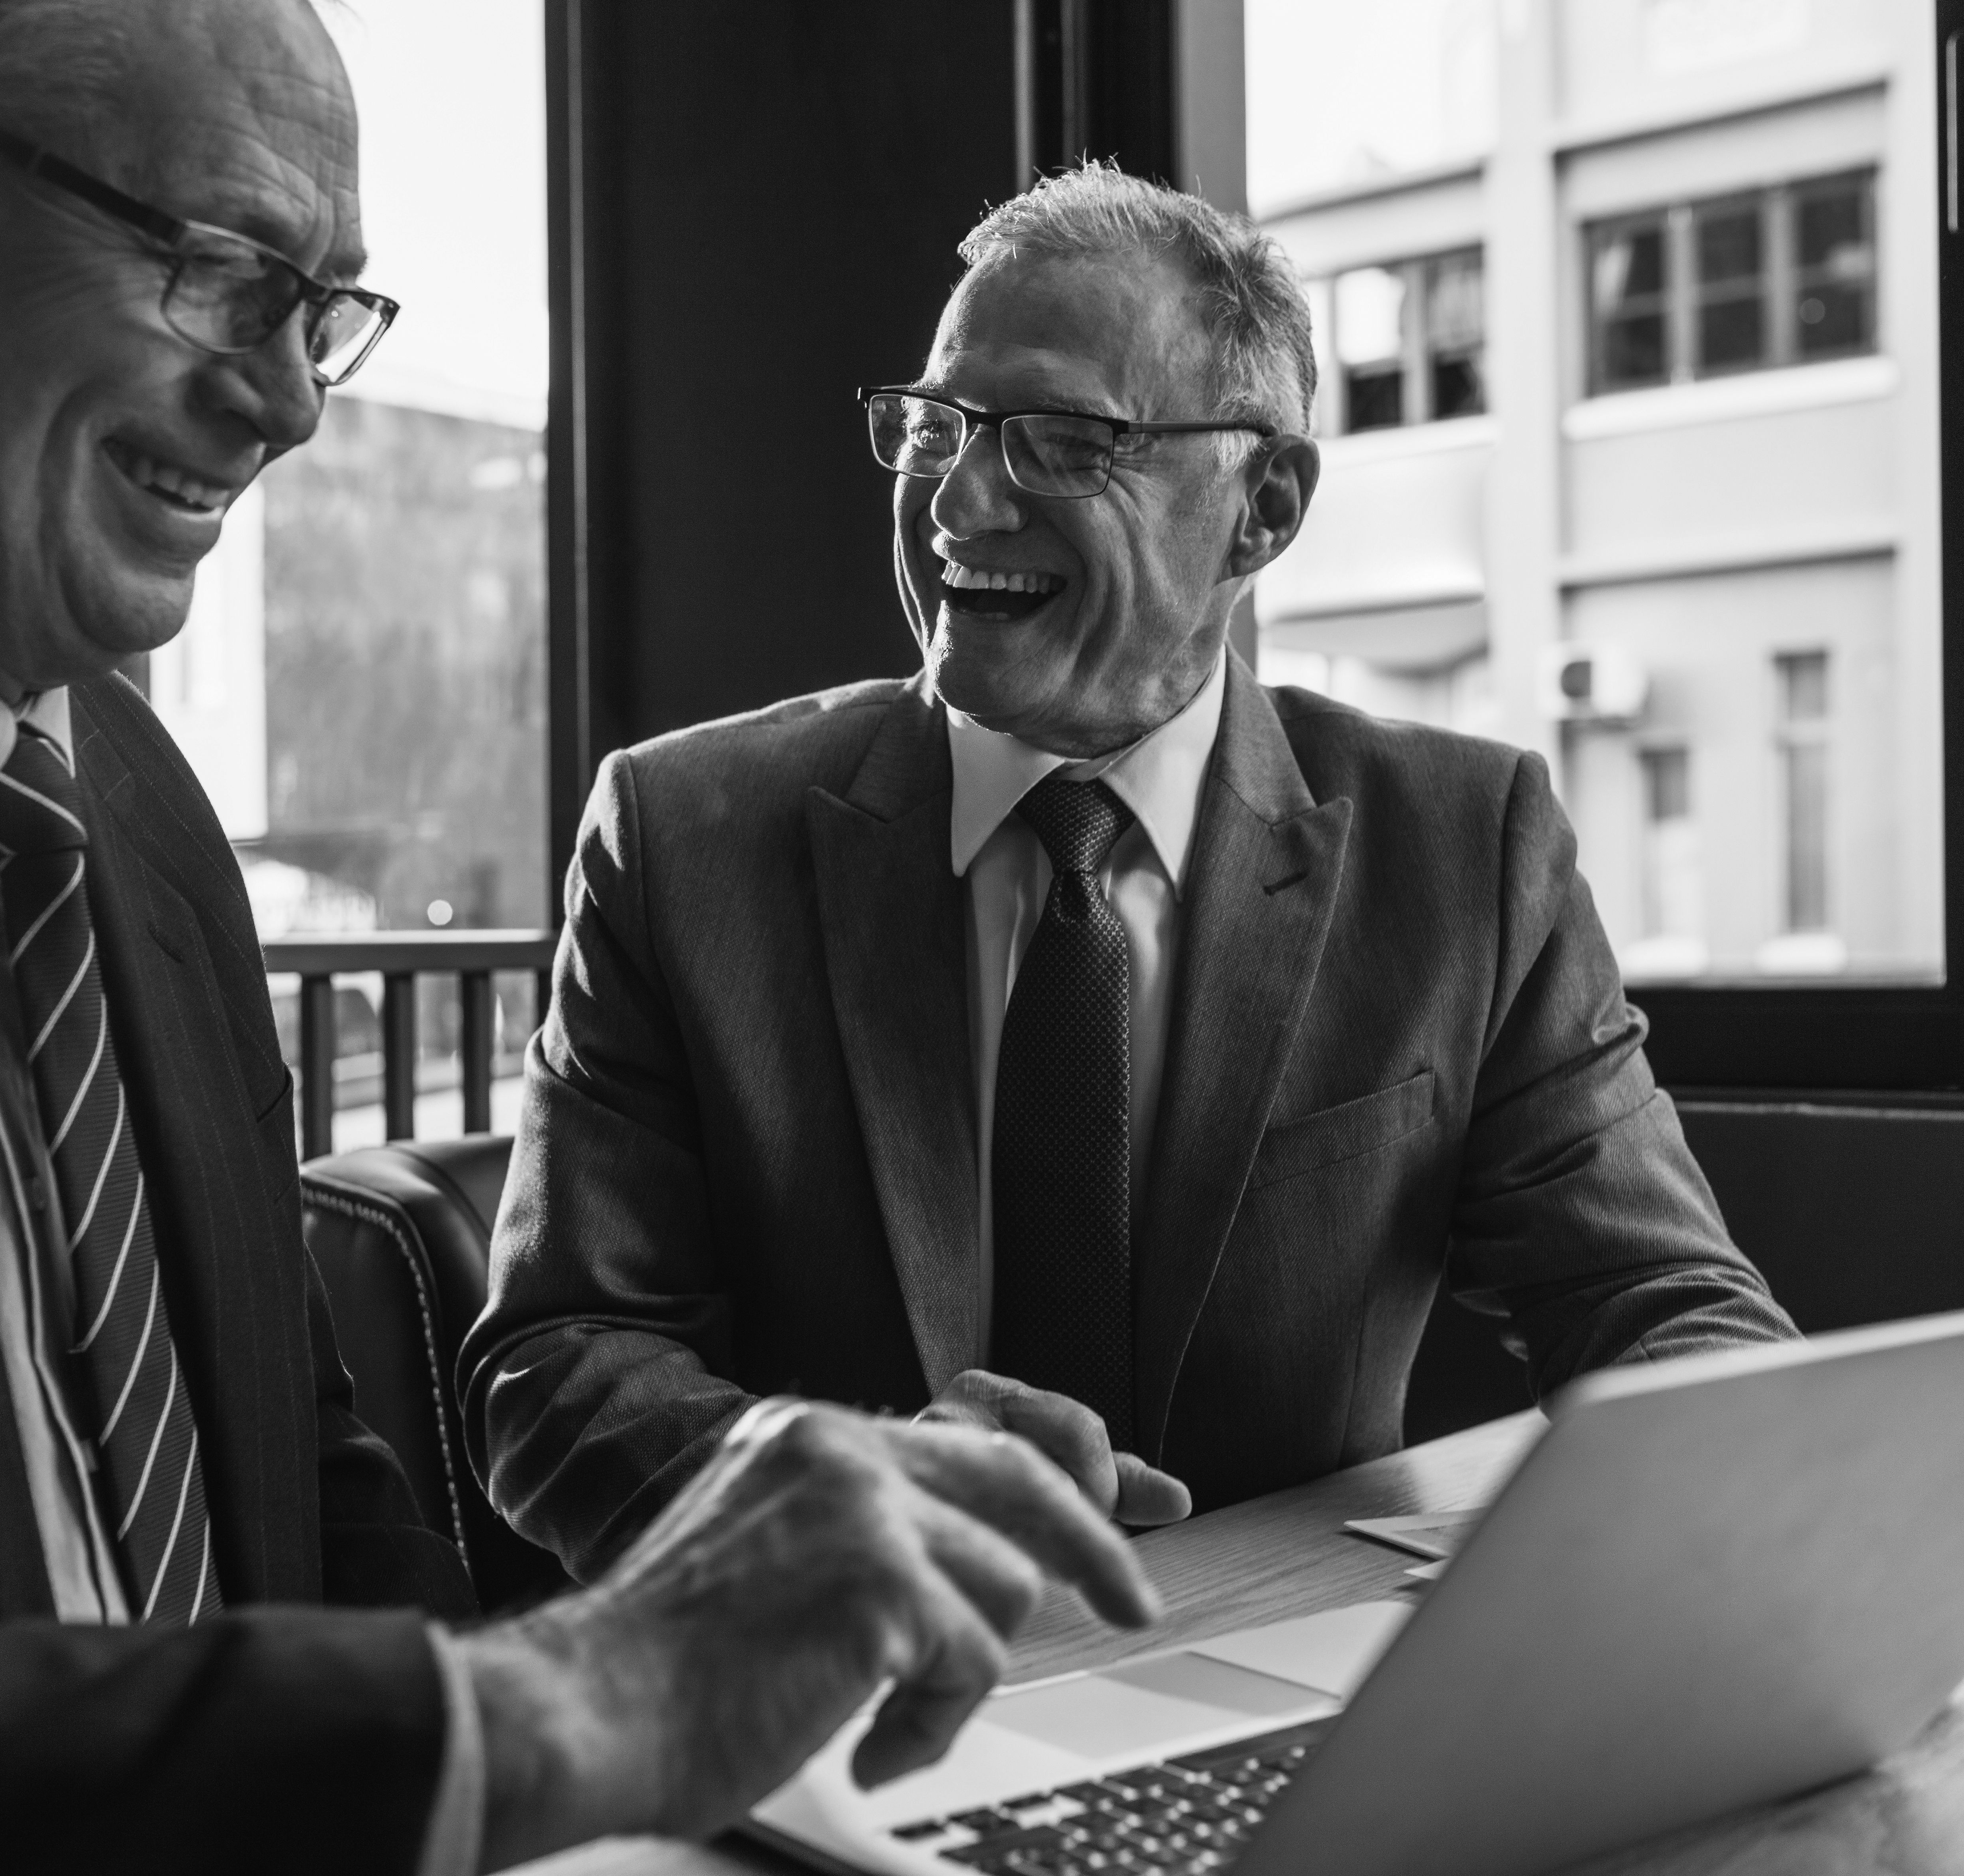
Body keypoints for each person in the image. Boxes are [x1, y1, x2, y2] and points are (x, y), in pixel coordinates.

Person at [0, 4, 1158, 1871]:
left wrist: (597, 1710)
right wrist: (539, 1719)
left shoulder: (129, 804)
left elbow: (298, 1489)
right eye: (215, 269)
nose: (286, 403)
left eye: (320, 311)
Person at [467, 164, 1798, 1579]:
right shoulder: (683, 834)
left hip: (1281, 1688)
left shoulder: (1467, 847)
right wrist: (836, 1492)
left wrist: (1738, 1529)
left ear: (1264, 506)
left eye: (1055, 440)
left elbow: (1662, 1302)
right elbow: (554, 1363)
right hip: (824, 1678)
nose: (958, 503)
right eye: (936, 428)